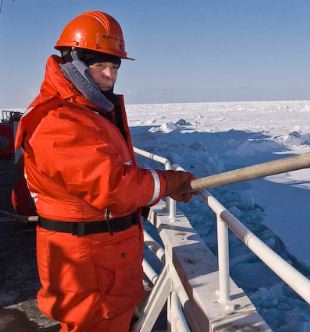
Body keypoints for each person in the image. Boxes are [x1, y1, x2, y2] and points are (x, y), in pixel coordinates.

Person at [15, 10, 195, 331]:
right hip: (90, 264)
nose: (110, 75)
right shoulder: (60, 121)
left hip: (103, 257)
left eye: (114, 66)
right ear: (74, 64)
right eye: (100, 65)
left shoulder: (86, 113)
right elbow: (114, 188)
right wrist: (168, 182)